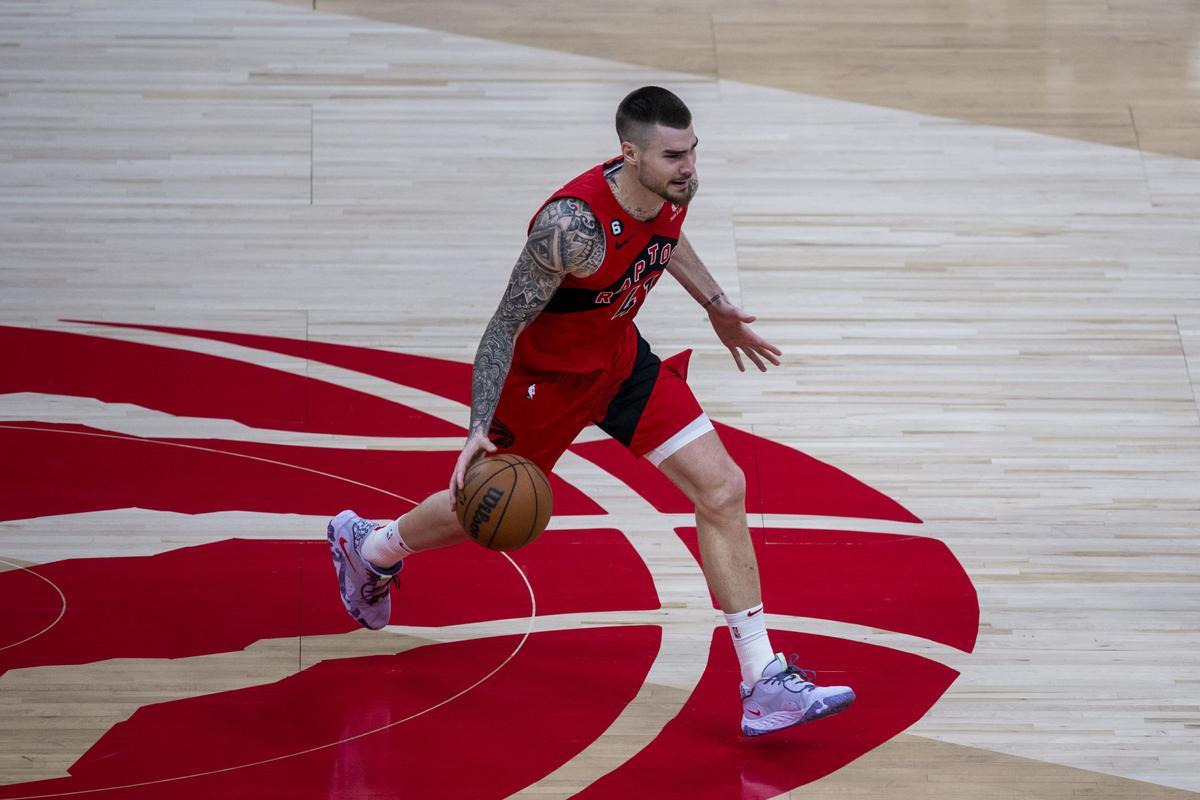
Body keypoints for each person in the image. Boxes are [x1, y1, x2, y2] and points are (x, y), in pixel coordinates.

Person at [328, 86, 854, 736]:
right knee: (485, 508)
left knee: (723, 488)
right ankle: (371, 547)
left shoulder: (672, 188)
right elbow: (502, 326)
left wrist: (715, 304)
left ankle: (762, 682)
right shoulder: (569, 229)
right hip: (542, 385)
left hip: (619, 361)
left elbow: (664, 238)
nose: (689, 167)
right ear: (629, 154)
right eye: (673, 156)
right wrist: (476, 426)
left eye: (693, 151)